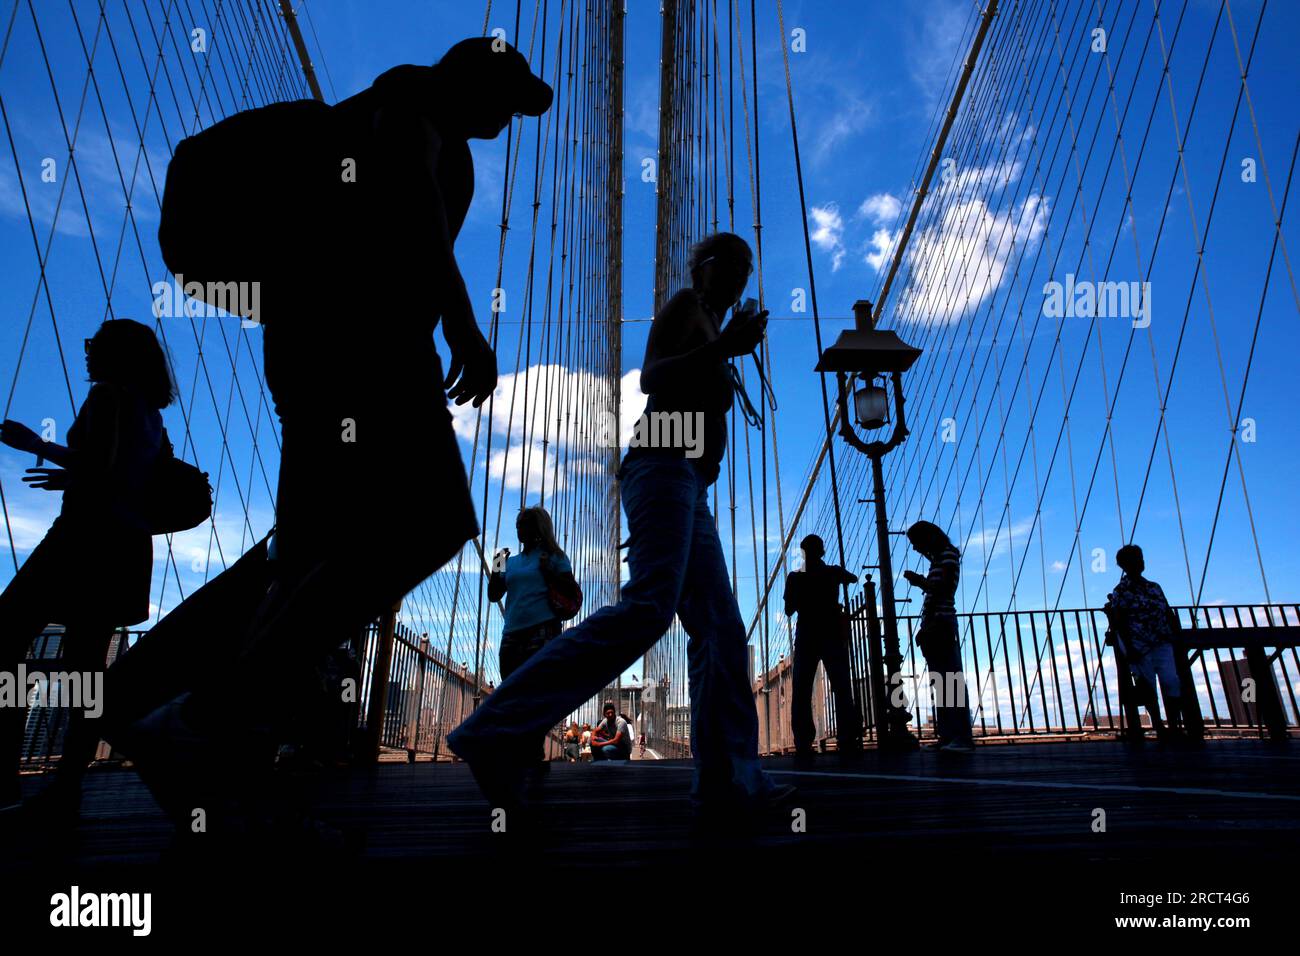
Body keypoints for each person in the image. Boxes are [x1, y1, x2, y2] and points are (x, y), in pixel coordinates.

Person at [102, 39, 553, 843]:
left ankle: (185, 739)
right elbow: (410, 210)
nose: (508, 117)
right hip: (362, 342)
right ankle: (205, 715)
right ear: (470, 79)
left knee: (303, 558)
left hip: (306, 348)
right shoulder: (411, 109)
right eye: (507, 97)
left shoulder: (402, 125)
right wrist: (462, 330)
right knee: (434, 517)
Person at [447, 232, 795, 824]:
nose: (738, 273)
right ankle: (493, 729)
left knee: (721, 628)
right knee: (649, 610)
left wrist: (728, 348)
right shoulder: (687, 307)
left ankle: (727, 780)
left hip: (689, 482)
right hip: (661, 464)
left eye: (745, 266)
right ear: (702, 268)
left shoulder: (714, 325)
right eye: (727, 263)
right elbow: (654, 377)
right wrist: (722, 349)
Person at [0, 319, 171, 815]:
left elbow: (101, 467)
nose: (88, 352)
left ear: (117, 354)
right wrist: (70, 476)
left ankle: (4, 778)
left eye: (96, 344)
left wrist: (38, 445)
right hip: (126, 547)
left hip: (83, 540)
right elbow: (127, 475)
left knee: (7, 634)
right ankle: (66, 786)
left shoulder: (109, 396)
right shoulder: (151, 414)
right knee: (86, 670)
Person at [783, 534, 862, 768]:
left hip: (807, 635)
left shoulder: (795, 578)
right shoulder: (833, 573)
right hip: (831, 633)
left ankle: (803, 743)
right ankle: (848, 737)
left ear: (804, 552)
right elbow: (854, 578)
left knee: (802, 690)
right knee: (841, 686)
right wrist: (836, 575)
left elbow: (788, 610)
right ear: (823, 551)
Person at [903, 521, 974, 754]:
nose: (914, 548)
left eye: (916, 542)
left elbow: (943, 589)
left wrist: (920, 582)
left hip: (940, 623)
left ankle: (960, 737)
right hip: (937, 623)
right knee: (943, 682)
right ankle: (949, 736)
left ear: (928, 538)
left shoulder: (947, 556)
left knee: (949, 680)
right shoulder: (942, 557)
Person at [1104, 544, 1184, 741]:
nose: (1140, 562)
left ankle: (1174, 724)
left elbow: (1167, 611)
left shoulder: (1154, 587)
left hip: (1162, 641)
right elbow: (1120, 621)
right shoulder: (1121, 591)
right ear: (1124, 565)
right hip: (1139, 644)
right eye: (1135, 559)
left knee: (1171, 681)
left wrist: (1174, 635)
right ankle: (1159, 725)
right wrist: (1129, 647)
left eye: (1140, 558)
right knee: (1148, 685)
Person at [489, 506, 573, 680]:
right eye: (518, 524)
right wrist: (497, 565)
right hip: (512, 634)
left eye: (524, 524)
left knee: (537, 689)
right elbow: (493, 595)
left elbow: (570, 591)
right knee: (511, 692)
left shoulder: (554, 557)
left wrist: (549, 572)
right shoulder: (510, 562)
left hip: (543, 631)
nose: (519, 528)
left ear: (538, 527)